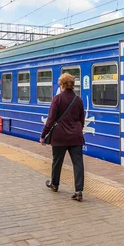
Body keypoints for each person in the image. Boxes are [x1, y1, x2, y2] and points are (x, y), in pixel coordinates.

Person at [40, 73, 85, 201]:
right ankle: (78, 191)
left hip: (59, 136)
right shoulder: (78, 100)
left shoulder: (57, 99)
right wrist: (76, 130)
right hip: (76, 137)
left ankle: (54, 184)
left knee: (57, 161)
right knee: (78, 163)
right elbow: (82, 119)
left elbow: (50, 120)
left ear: (62, 85)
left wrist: (43, 135)